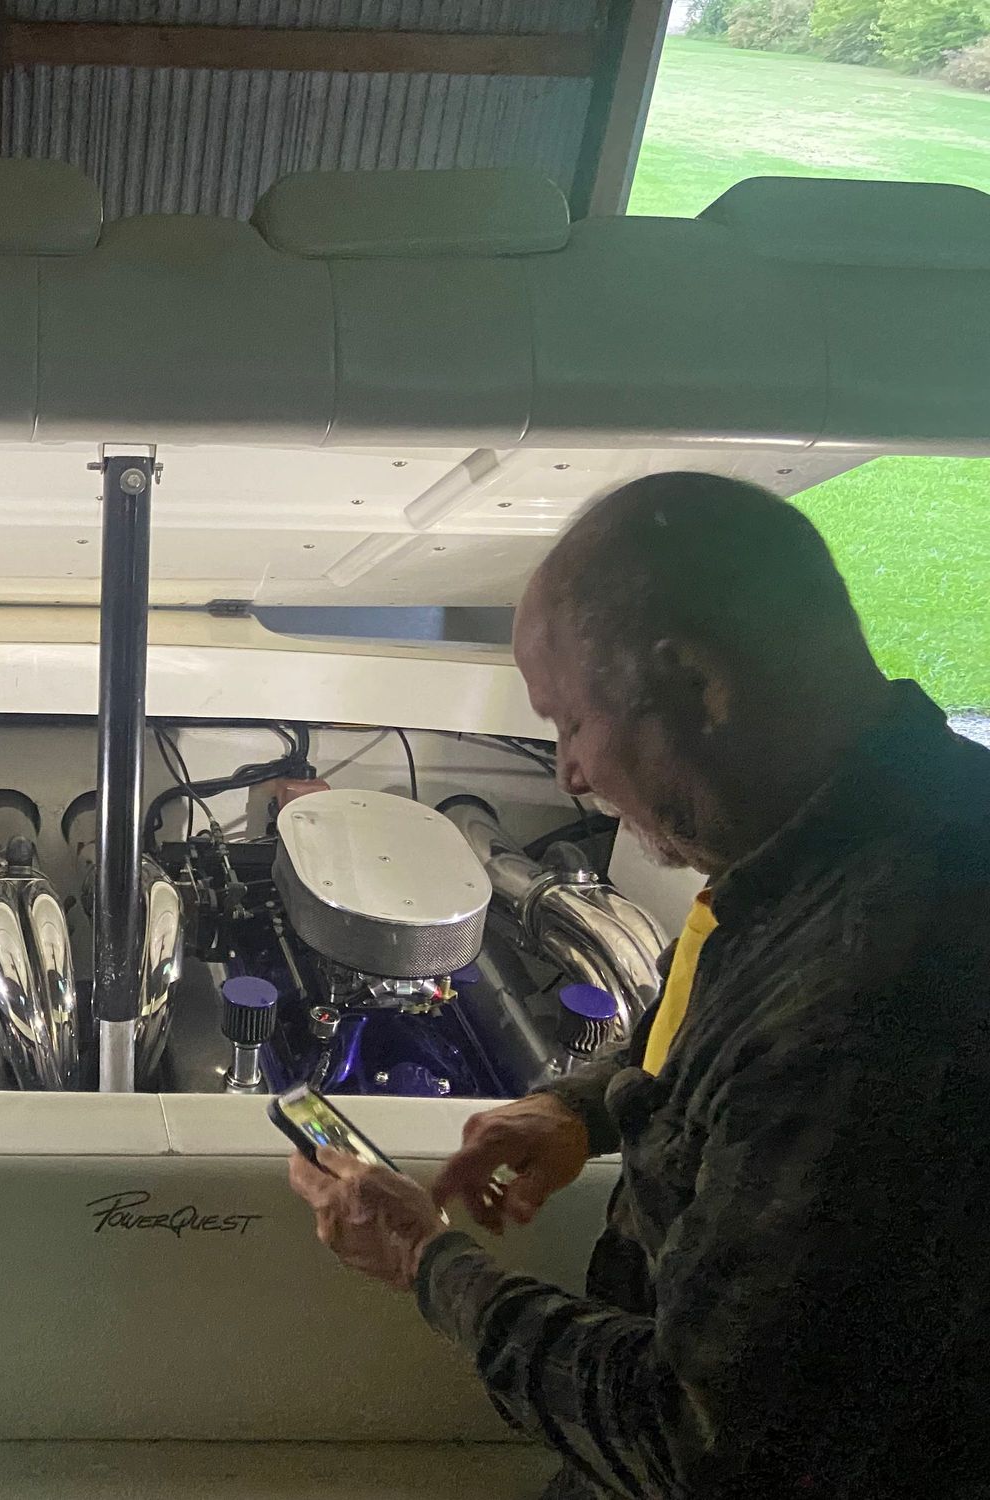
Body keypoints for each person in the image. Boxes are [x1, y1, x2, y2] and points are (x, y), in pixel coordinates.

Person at [286, 471, 990, 1498]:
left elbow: (701, 1445)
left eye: (570, 723)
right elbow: (707, 1021)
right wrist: (583, 1108)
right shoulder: (872, 830)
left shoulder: (869, 1002)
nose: (567, 774)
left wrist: (424, 1261)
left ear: (697, 682)